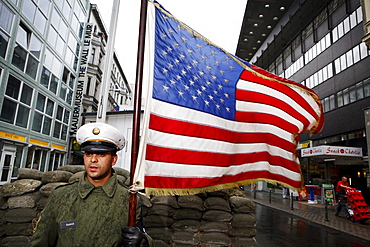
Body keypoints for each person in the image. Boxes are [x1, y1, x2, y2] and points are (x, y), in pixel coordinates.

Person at [29, 123, 152, 247]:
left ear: (113, 160)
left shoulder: (128, 199)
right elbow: (41, 241)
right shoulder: (61, 196)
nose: (93, 160)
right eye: (88, 154)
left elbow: (140, 234)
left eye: (101, 154)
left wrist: (143, 242)